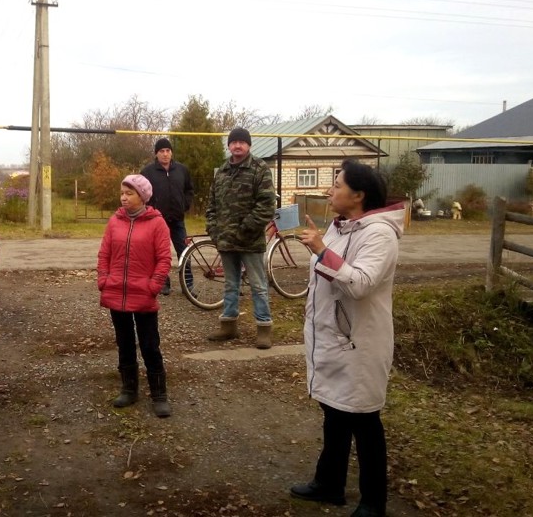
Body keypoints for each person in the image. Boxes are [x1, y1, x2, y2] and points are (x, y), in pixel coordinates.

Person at [290, 159, 405, 517]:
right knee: (334, 413)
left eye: (337, 185)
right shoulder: (341, 227)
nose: (330, 190)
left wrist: (322, 251)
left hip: (360, 343)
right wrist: (322, 245)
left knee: (363, 419)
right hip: (334, 337)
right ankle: (330, 484)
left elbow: (361, 284)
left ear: (358, 195)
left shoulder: (379, 234)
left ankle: (373, 501)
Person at [97, 174, 173, 417]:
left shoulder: (157, 223)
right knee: (124, 343)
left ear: (142, 196)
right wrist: (103, 279)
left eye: (129, 193)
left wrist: (153, 286)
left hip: (144, 296)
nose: (123, 198)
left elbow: (164, 259)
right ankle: (129, 389)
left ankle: (159, 394)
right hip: (116, 293)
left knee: (150, 344)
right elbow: (104, 254)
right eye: (122, 193)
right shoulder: (114, 222)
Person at [205, 127, 275, 349]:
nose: (237, 146)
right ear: (229, 145)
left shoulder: (259, 169)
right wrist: (214, 231)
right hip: (225, 241)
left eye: (241, 142)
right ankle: (229, 326)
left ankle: (263, 327)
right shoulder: (222, 171)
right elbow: (212, 205)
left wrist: (245, 229)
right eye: (233, 142)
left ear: (249, 145)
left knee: (258, 285)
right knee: (230, 284)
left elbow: (266, 206)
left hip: (250, 241)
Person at [140, 138, 195, 296]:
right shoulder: (148, 172)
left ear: (171, 153)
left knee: (184, 251)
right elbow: (142, 193)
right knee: (159, 253)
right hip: (157, 220)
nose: (165, 154)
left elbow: (189, 189)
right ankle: (163, 282)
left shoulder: (182, 170)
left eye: (168, 151)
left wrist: (184, 205)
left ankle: (188, 284)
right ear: (156, 154)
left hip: (177, 219)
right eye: (161, 151)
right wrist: (150, 209)